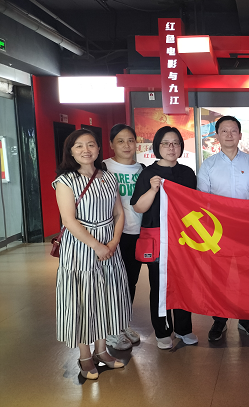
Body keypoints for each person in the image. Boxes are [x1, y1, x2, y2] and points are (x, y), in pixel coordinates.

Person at [53, 129, 131, 380]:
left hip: (109, 245)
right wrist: (97, 246)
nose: (85, 150)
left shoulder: (108, 177)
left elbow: (118, 213)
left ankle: (102, 350)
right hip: (80, 248)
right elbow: (69, 220)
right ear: (71, 151)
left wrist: (114, 242)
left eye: (90, 145)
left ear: (98, 149)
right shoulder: (65, 181)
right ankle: (85, 355)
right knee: (83, 299)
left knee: (106, 297)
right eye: (79, 146)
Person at [130, 126, 198, 350]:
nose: (171, 147)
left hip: (183, 239)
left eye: (176, 143)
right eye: (166, 143)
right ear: (157, 147)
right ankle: (162, 331)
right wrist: (152, 190)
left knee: (183, 284)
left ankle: (184, 329)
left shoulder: (187, 173)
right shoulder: (148, 173)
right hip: (158, 239)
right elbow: (138, 207)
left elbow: (195, 205)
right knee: (159, 285)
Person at [197, 115, 249, 342]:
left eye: (233, 130)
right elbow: (202, 199)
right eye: (224, 131)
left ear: (240, 135)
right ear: (217, 136)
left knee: (246, 275)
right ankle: (219, 319)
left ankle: (245, 318)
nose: (229, 135)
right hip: (218, 230)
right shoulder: (208, 165)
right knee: (219, 275)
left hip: (245, 229)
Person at [102, 124, 143, 350]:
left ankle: (122, 323)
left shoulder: (142, 169)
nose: (126, 145)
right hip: (112, 236)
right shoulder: (103, 167)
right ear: (111, 144)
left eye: (130, 140)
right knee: (112, 283)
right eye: (120, 141)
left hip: (137, 233)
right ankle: (110, 330)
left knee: (130, 282)